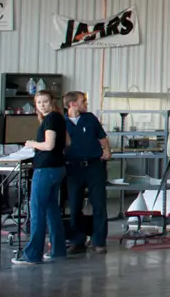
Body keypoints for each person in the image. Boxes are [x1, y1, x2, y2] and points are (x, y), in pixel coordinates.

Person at [14, 90, 70, 265]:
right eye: (39, 103)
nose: (42, 105)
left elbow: (49, 145)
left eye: (45, 102)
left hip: (45, 169)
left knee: (37, 211)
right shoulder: (59, 118)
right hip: (57, 168)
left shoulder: (50, 119)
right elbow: (68, 142)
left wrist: (32, 144)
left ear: (52, 102)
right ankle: (57, 250)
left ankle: (32, 254)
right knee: (52, 209)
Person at [62, 91, 112, 255]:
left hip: (93, 166)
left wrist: (107, 150)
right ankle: (77, 241)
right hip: (73, 168)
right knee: (75, 205)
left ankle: (99, 241)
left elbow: (102, 137)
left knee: (99, 204)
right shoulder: (62, 122)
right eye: (83, 101)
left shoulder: (90, 118)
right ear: (73, 104)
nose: (86, 104)